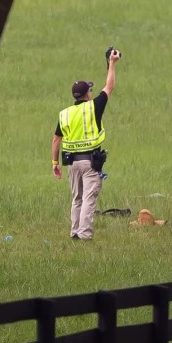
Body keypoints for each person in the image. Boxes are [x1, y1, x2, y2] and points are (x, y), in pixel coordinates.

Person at [52, 49, 120, 239]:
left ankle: (75, 232)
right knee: (89, 198)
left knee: (77, 199)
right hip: (90, 162)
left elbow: (56, 138)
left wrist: (54, 163)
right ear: (87, 94)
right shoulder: (94, 107)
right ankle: (84, 235)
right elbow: (109, 86)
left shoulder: (65, 114)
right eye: (90, 90)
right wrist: (112, 63)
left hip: (72, 163)